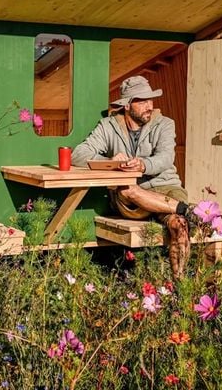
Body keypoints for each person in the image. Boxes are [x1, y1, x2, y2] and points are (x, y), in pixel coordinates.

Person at [71, 76, 195, 279]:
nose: (149, 105)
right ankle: (186, 209)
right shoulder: (108, 126)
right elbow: (79, 154)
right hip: (130, 198)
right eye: (142, 101)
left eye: (150, 100)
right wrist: (110, 161)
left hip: (165, 189)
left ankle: (180, 285)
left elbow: (165, 158)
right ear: (127, 105)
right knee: (128, 189)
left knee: (179, 225)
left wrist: (143, 164)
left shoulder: (164, 124)